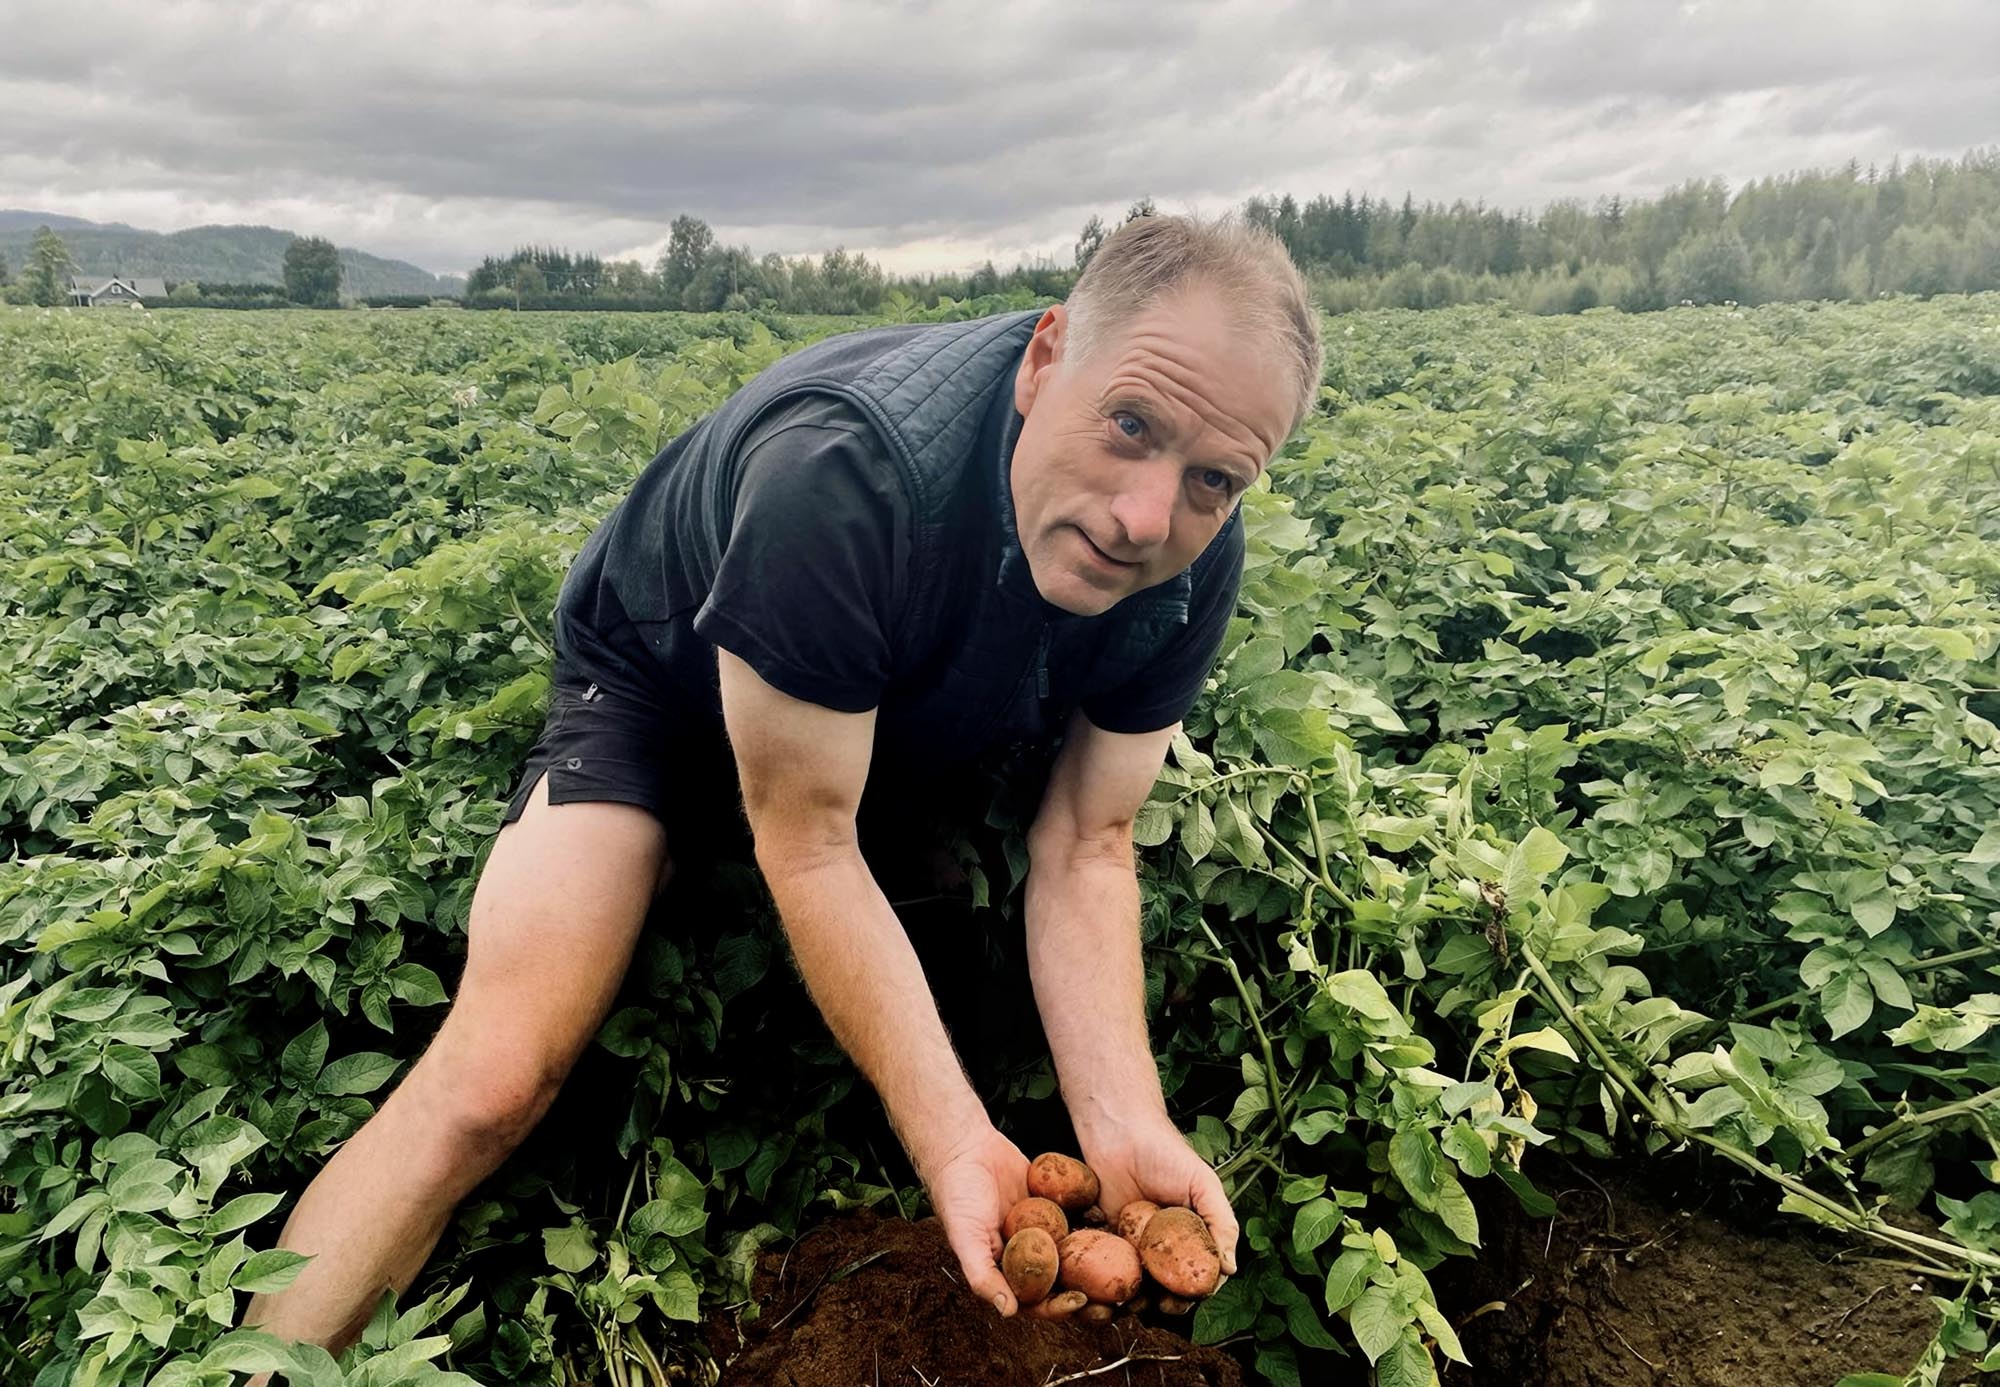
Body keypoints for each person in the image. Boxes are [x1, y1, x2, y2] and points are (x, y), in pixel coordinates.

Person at [242, 212, 1323, 1349]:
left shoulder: (1195, 550)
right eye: (1129, 424)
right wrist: (952, 1138)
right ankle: (265, 1369)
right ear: (1044, 357)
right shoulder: (843, 475)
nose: (1147, 517)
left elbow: (1088, 839)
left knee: (947, 932)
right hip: (659, 693)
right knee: (493, 1082)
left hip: (870, 701)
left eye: (1212, 479)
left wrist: (1126, 1118)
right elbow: (809, 841)